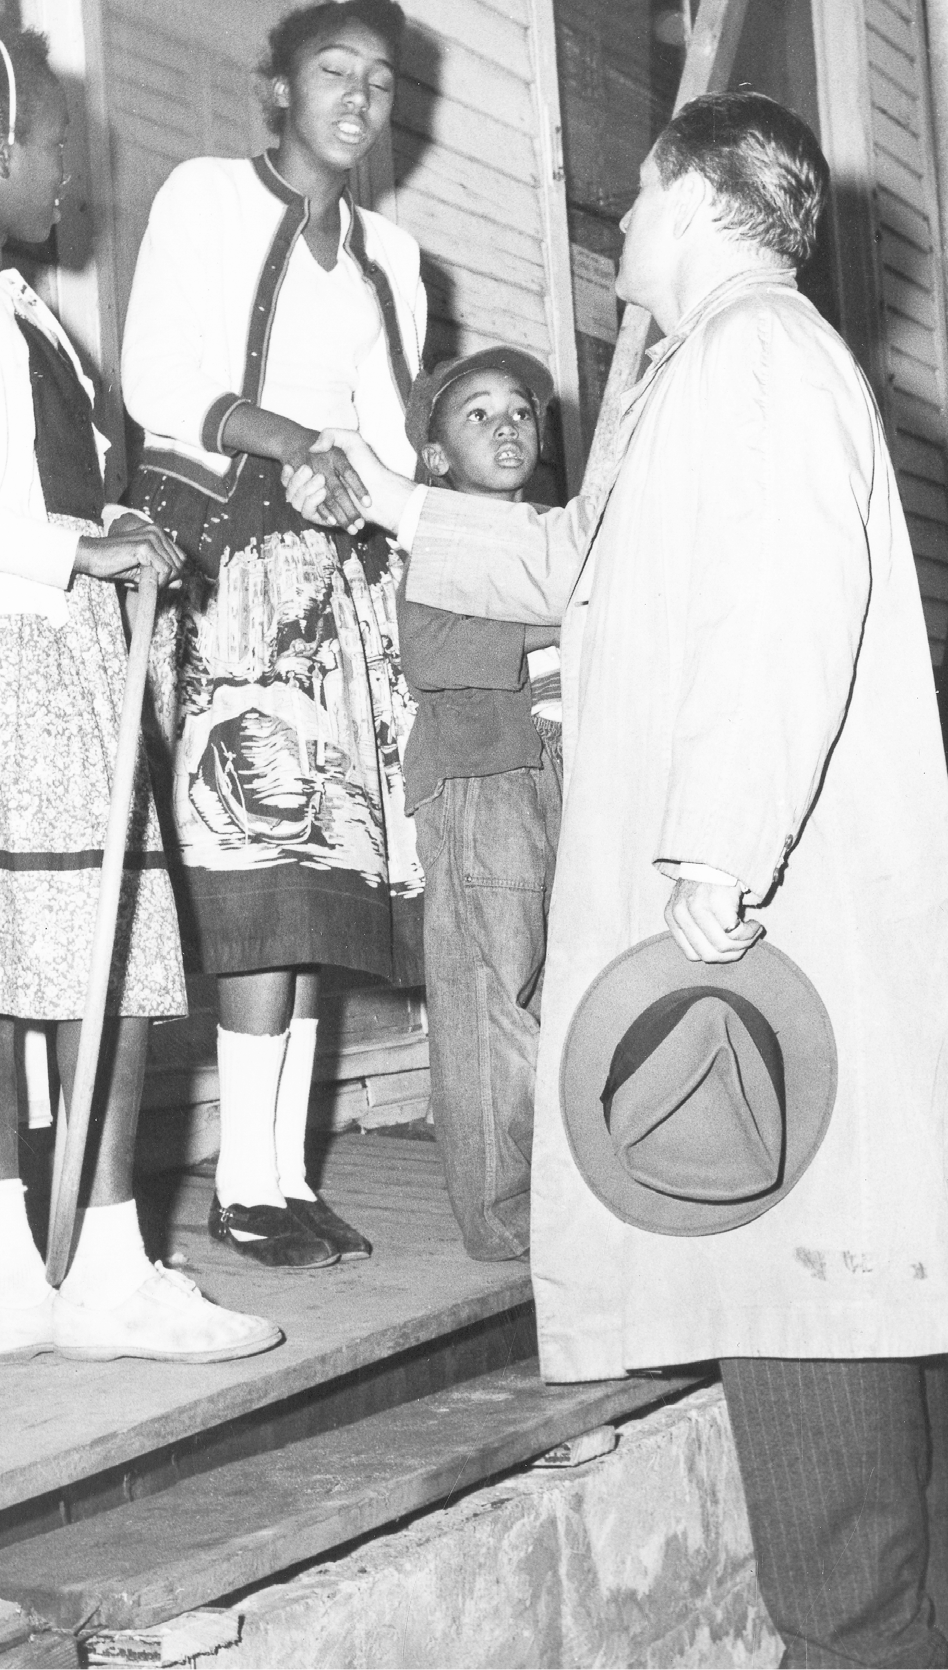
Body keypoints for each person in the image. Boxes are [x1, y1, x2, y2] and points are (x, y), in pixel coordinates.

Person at [289, 92, 948, 1666]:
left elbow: (785, 610)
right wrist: (392, 499)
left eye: (632, 204)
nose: (615, 241)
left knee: (829, 1473)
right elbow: (570, 564)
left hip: (755, 976)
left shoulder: (751, 359)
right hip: (766, 984)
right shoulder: (709, 376)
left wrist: (718, 851)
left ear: (687, 197)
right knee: (881, 1453)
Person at [0, 23, 280, 1367]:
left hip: (45, 648)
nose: (66, 182)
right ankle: (22, 1278)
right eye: (50, 150)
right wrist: (69, 548)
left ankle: (87, 1268)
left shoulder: (21, 305)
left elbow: (20, 476)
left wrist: (112, 523)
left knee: (82, 956)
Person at [120, 0, 425, 1271]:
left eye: (378, 81)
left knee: (319, 882)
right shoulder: (205, 196)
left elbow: (397, 444)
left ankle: (283, 1178)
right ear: (278, 91)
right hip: (228, 566)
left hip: (331, 590)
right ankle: (240, 1187)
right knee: (258, 871)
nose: (357, 98)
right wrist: (289, 438)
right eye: (332, 73)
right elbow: (153, 382)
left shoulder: (390, 259)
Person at [396, 349, 563, 1261]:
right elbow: (433, 654)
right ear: (432, 458)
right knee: (491, 988)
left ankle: (569, 1191)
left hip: (557, 770)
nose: (506, 426)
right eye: (477, 415)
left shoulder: (551, 532)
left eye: (521, 414)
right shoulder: (442, 537)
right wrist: (560, 613)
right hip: (478, 779)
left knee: (556, 983)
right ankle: (504, 1218)